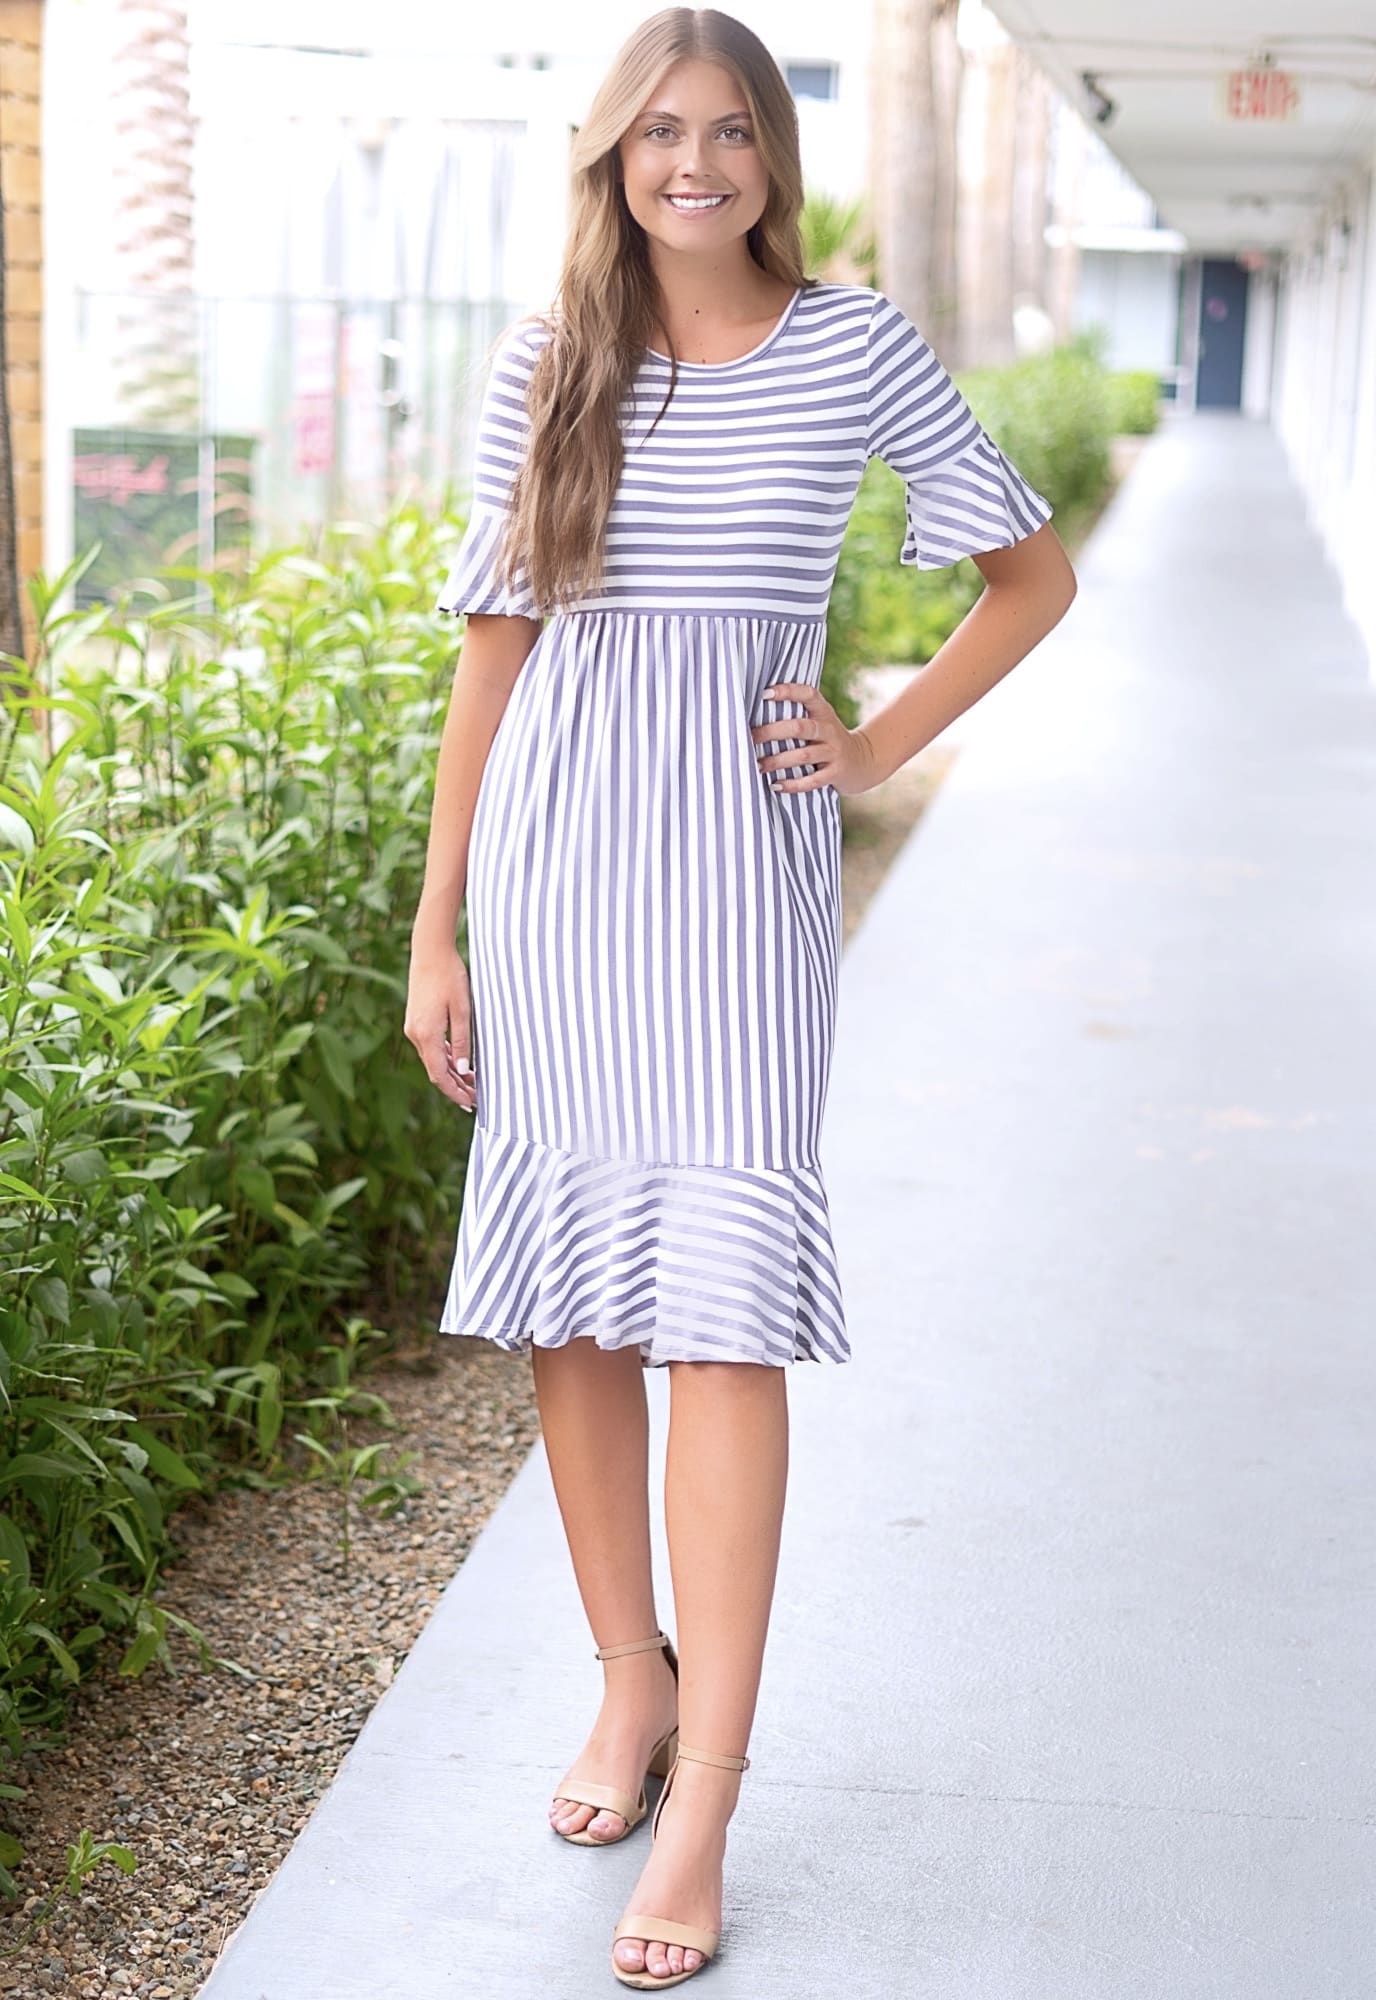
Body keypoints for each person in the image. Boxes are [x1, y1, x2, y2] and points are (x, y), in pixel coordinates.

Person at [404, 7, 1076, 1988]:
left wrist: (873, 747)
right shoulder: (551, 359)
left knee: (719, 1309)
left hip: (735, 882)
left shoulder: (853, 344)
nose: (691, 164)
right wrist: (438, 928)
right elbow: (493, 651)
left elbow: (1029, 579)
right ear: (611, 157)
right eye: (657, 133)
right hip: (555, 870)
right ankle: (633, 1677)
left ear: (775, 156)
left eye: (728, 131)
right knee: (573, 1300)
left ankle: (708, 1788)